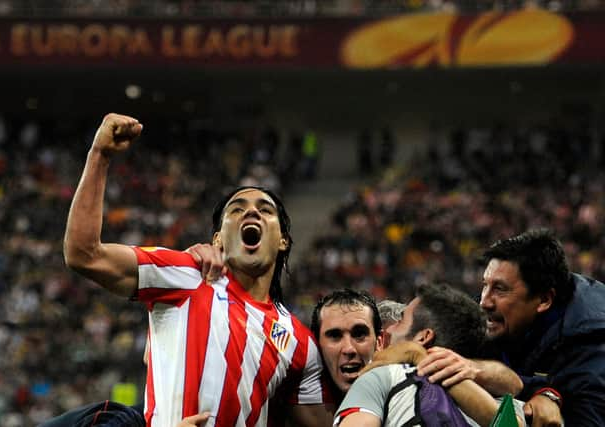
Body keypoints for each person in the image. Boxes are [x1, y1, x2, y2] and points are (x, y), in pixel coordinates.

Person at [63, 113, 334, 427]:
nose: (250, 211)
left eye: (265, 210)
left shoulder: (300, 344)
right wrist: (100, 156)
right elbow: (83, 254)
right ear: (218, 239)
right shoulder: (187, 274)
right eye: (237, 209)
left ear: (283, 240)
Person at [418, 229, 605, 427]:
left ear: (543, 300)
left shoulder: (593, 339)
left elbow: (587, 420)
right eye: (485, 285)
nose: (484, 302)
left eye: (500, 289)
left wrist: (548, 395)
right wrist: (542, 391)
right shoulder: (491, 312)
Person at [334, 283, 526, 427]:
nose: (389, 329)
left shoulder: (384, 377)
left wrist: (418, 356)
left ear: (423, 337)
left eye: (400, 321)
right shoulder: (508, 405)